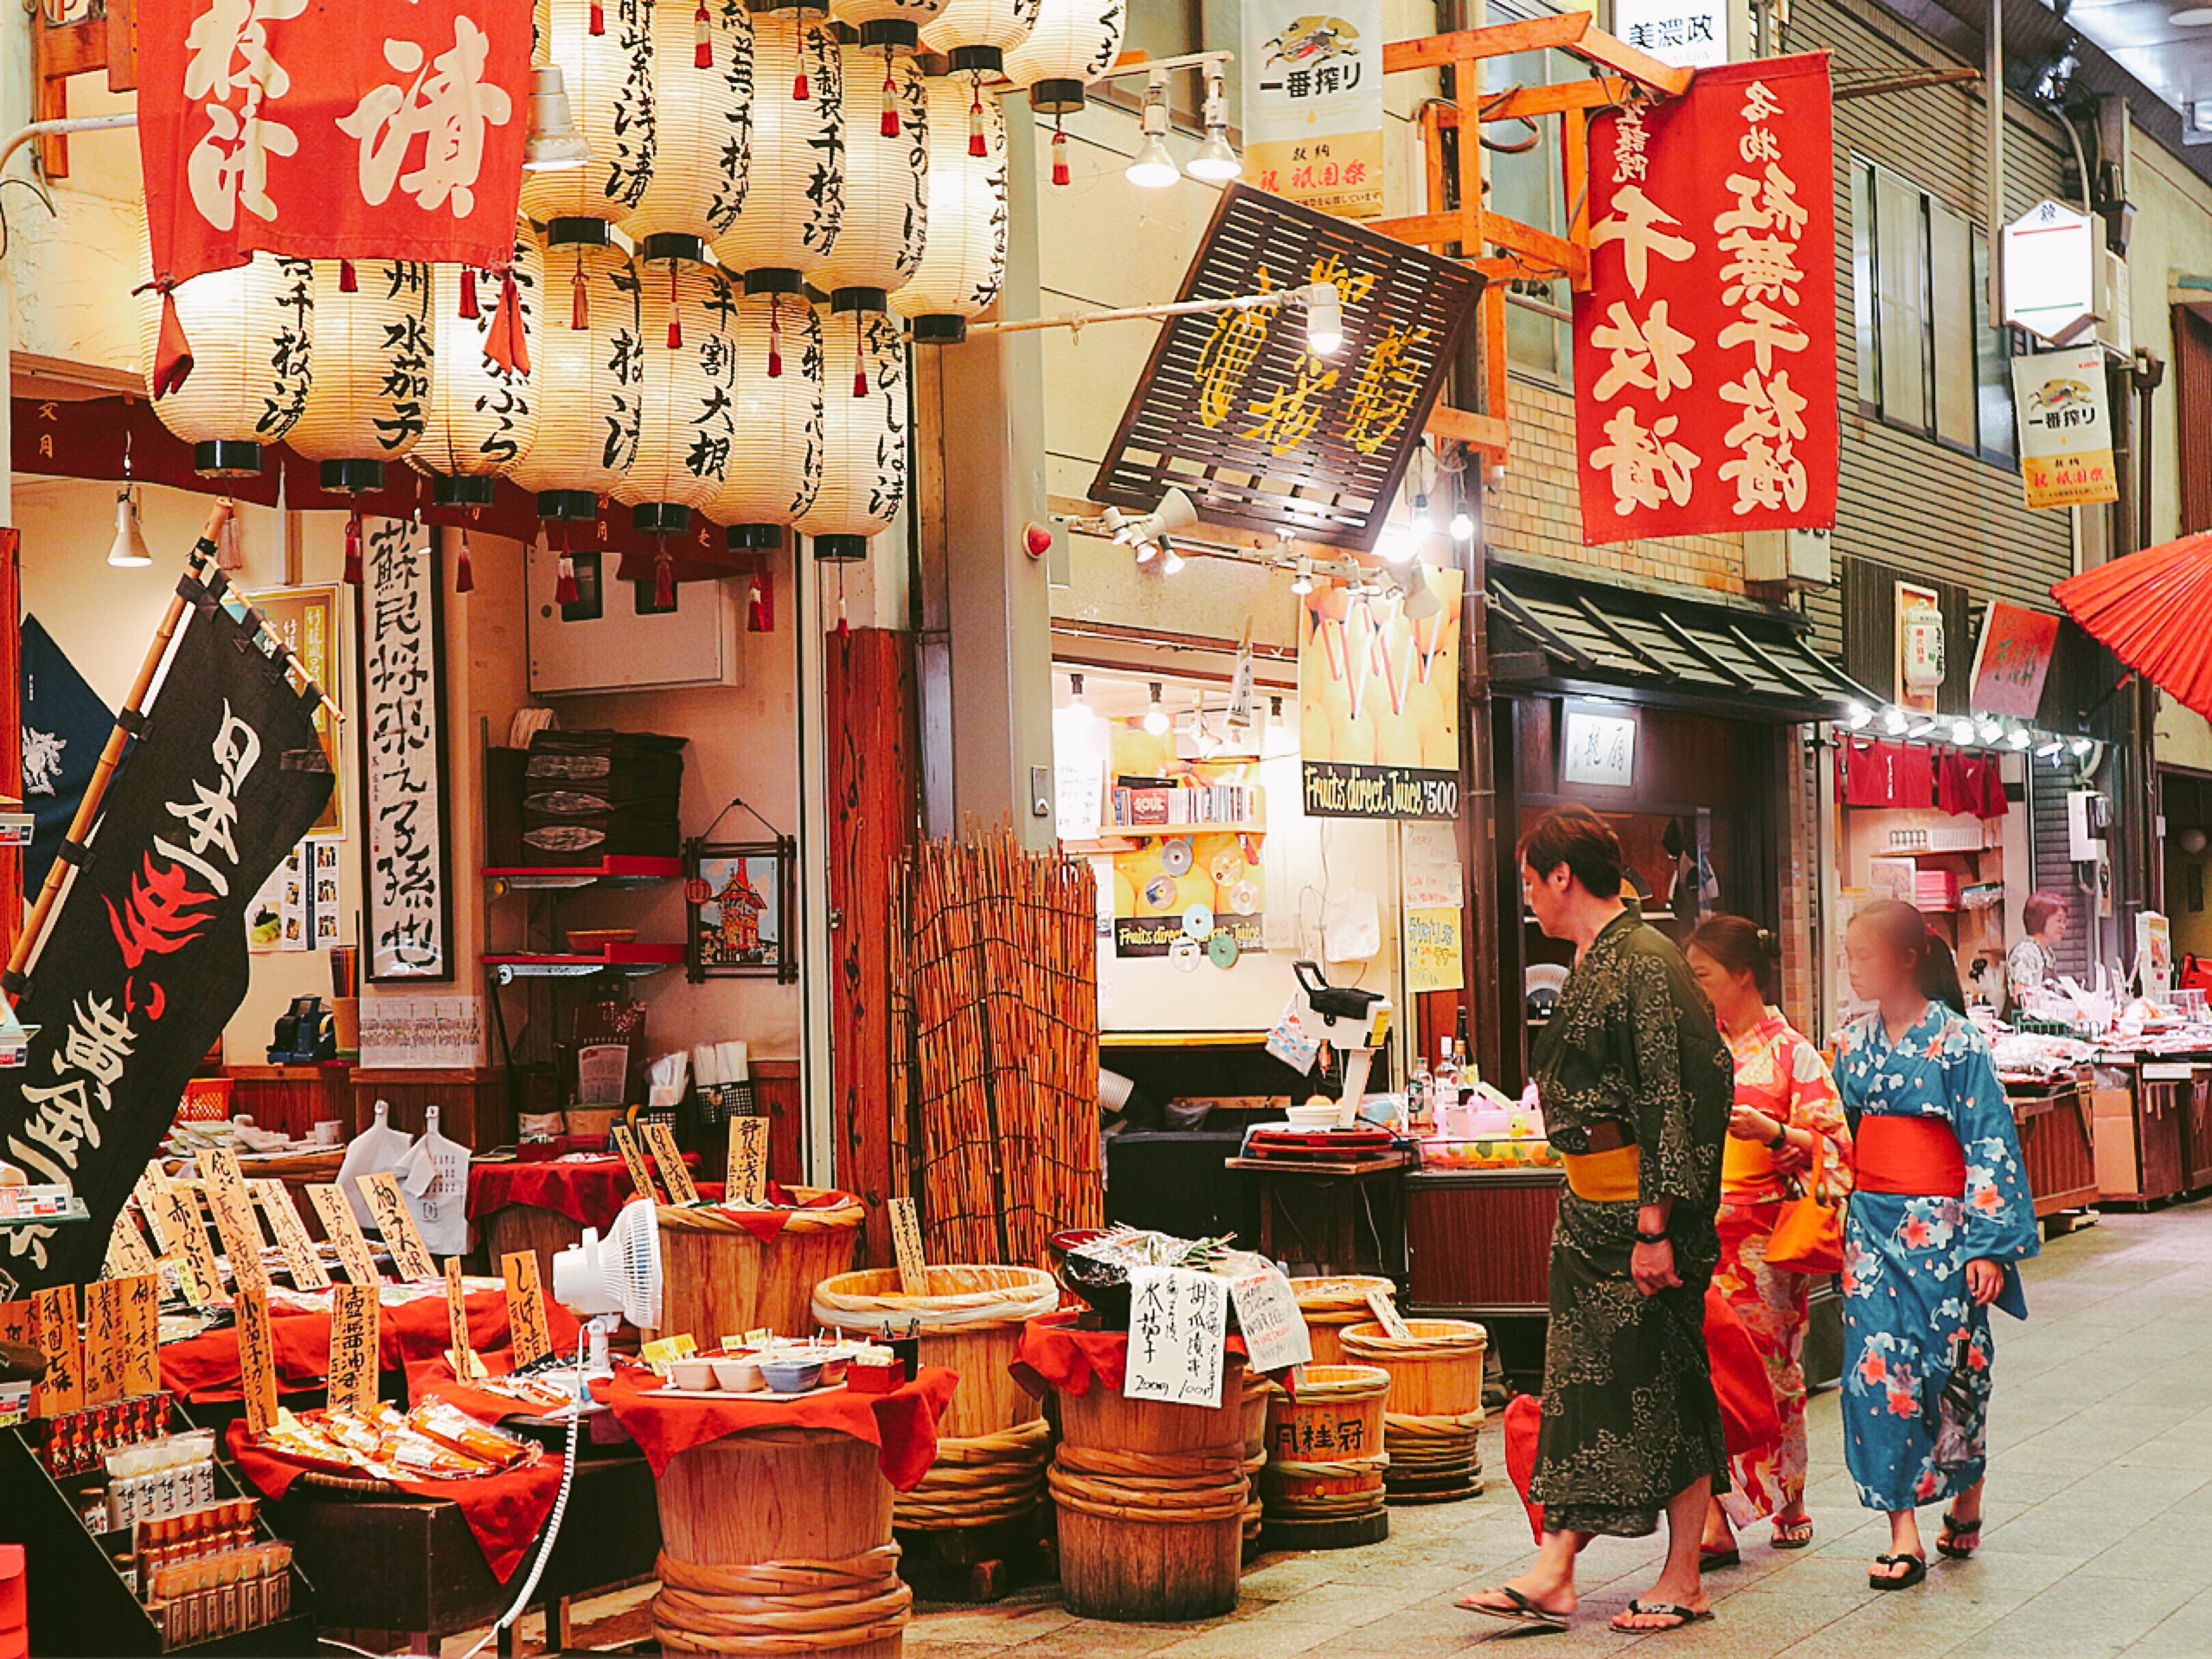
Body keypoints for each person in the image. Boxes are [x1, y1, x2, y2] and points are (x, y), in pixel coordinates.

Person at [1459, 805, 1734, 1635]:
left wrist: (1655, 1223)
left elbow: (1671, 1089)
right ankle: (1554, 1569)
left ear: (1560, 877)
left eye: (1528, 883)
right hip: (1588, 1211)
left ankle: (1682, 1575)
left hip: (1638, 1212)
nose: (1528, 899)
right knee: (1581, 1394)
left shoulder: (1643, 959)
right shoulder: (1592, 958)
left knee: (1666, 1387)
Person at [1835, 900, 2038, 1592]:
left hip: (1945, 1229)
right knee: (1875, 1373)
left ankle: (1966, 1488)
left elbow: (1987, 1140)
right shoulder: (1849, 1043)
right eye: (1849, 955)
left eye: (1864, 955)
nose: (1853, 968)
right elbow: (1840, 1135)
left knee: (1953, 1369)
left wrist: (1987, 1245)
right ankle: (1901, 1533)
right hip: (1869, 1227)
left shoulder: (1957, 1043)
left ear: (1907, 958)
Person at [1684, 916, 1851, 1563]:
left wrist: (1777, 1133)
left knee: (1768, 1370)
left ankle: (1788, 1496)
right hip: (1702, 1233)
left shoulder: (1792, 1053)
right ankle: (1716, 1514)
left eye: (1703, 975)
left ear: (1742, 974)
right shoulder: (1699, 1046)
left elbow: (1835, 1148)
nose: (1696, 988)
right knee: (1706, 1372)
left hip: (1763, 1241)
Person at [2004, 892, 2068, 1015]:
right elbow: (2021, 997)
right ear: (2040, 919)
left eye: (2064, 921)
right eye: (2058, 920)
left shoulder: (2046, 952)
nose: (2063, 926)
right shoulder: (2027, 951)